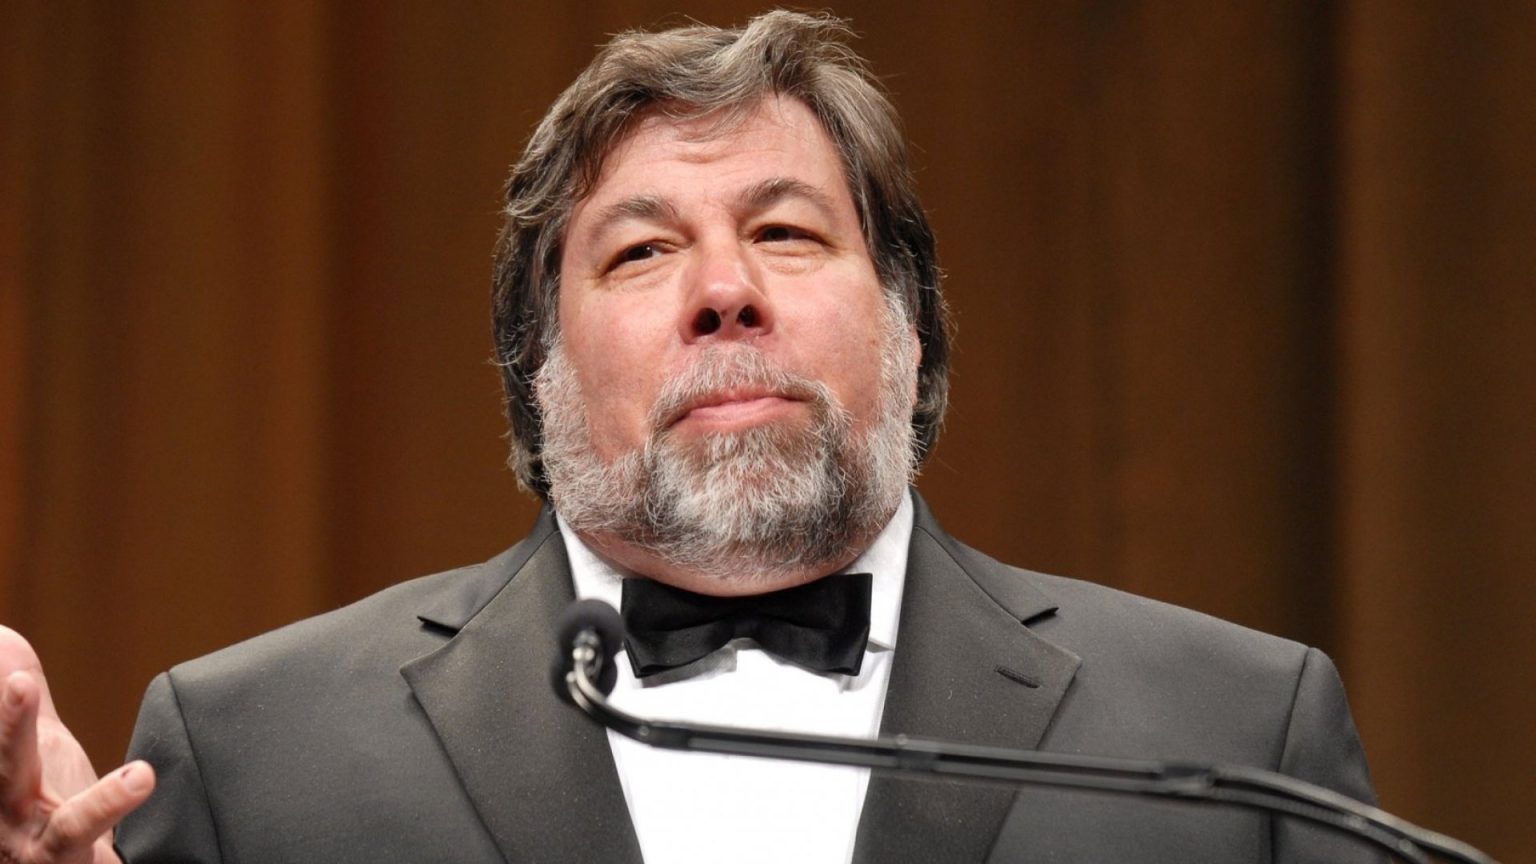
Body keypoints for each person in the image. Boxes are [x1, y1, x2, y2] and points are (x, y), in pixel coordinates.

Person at [0, 11, 1375, 863]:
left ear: (912, 332)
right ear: (537, 372)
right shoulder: (255, 755)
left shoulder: (1234, 740)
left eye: (786, 230)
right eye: (644, 251)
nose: (728, 287)